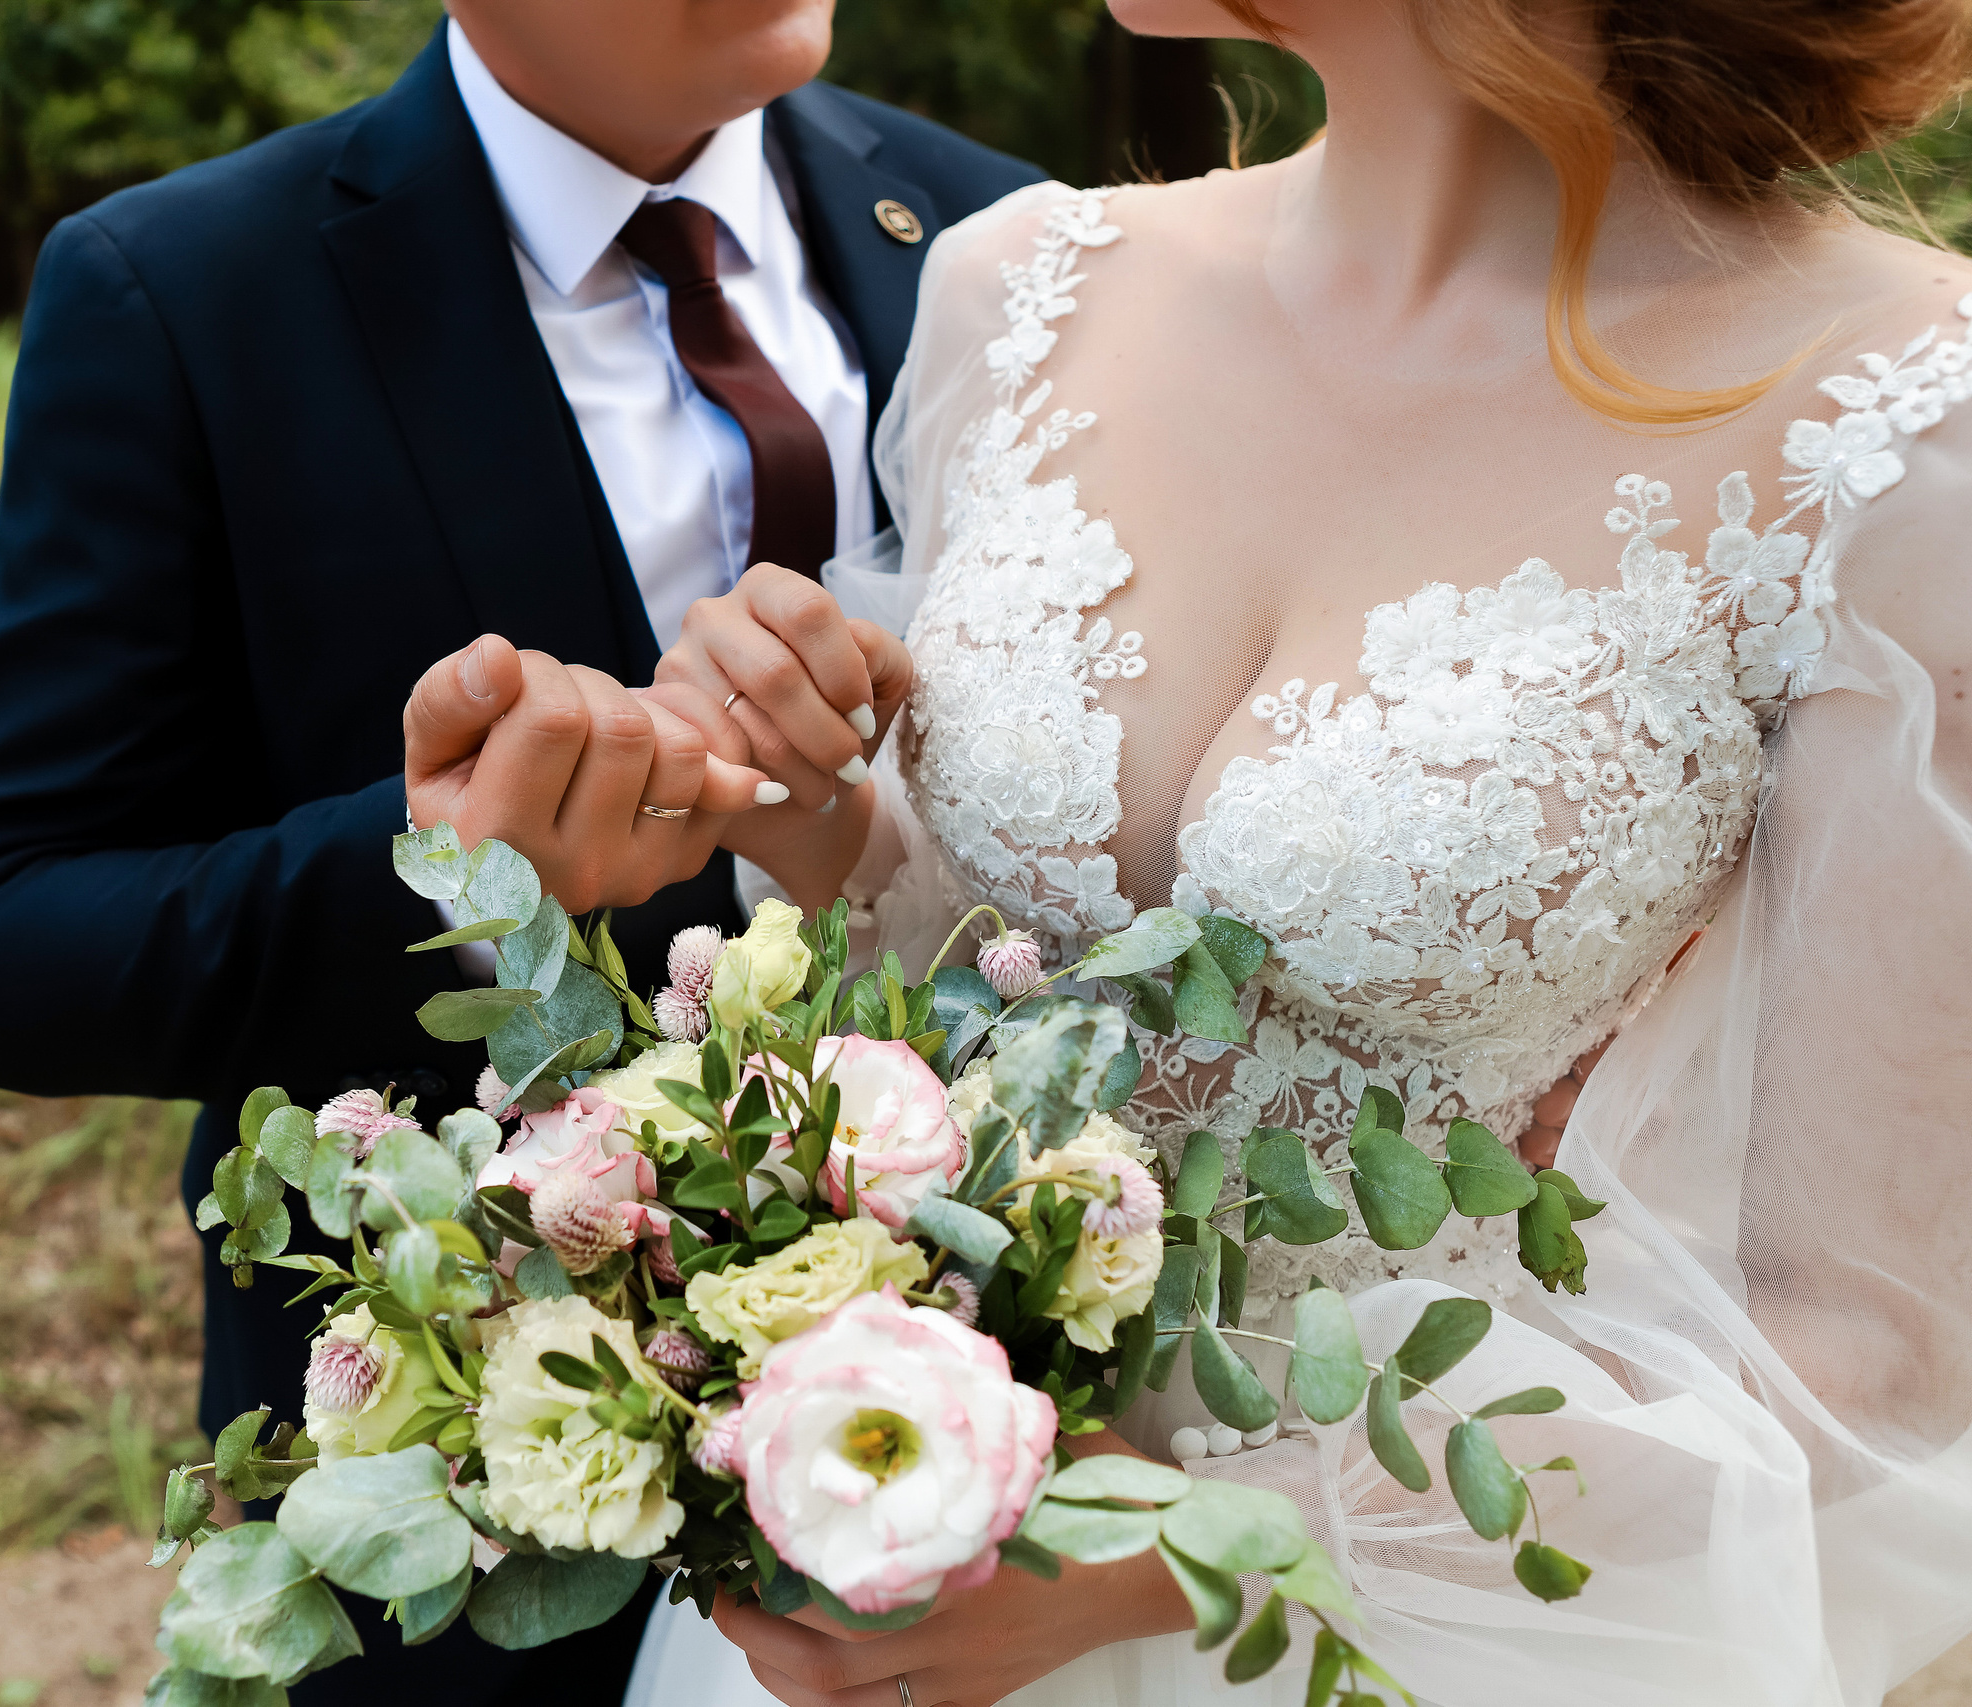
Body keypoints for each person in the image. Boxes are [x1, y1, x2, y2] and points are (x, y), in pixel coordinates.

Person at [592, 1, 1972, 1704]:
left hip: (1458, 1594)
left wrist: (1183, 1547)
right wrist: (792, 799)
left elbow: (1864, 1359)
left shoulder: (1906, 425)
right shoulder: (1025, 287)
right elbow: (996, 974)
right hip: (911, 1515)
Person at [0, 4, 1037, 1704]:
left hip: (984, 1432)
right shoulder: (186, 293)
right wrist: (429, 873)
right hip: (486, 1491)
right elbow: (15, 940)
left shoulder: (1002, 233)